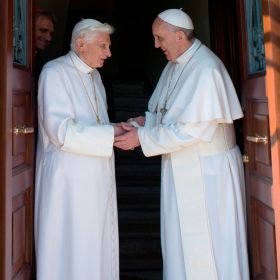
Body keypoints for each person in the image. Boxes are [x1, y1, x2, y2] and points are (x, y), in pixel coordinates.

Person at [114, 8, 250, 280]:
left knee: (210, 245)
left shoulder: (207, 69)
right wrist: (147, 121)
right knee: (179, 243)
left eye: (159, 38)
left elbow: (192, 130)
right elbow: (171, 114)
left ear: (179, 35)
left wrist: (141, 138)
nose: (156, 45)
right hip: (183, 166)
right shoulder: (177, 63)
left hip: (208, 173)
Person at [35, 18, 122, 280]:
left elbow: (97, 124)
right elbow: (60, 131)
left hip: (97, 178)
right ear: (81, 44)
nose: (109, 53)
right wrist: (113, 132)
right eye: (103, 46)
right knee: (70, 247)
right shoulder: (54, 72)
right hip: (68, 182)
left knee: (95, 246)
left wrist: (120, 127)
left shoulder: (95, 76)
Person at [34, 9, 56, 82]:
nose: (48, 38)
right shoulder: (10, 58)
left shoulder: (43, 66)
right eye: (43, 31)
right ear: (29, 28)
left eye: (51, 34)